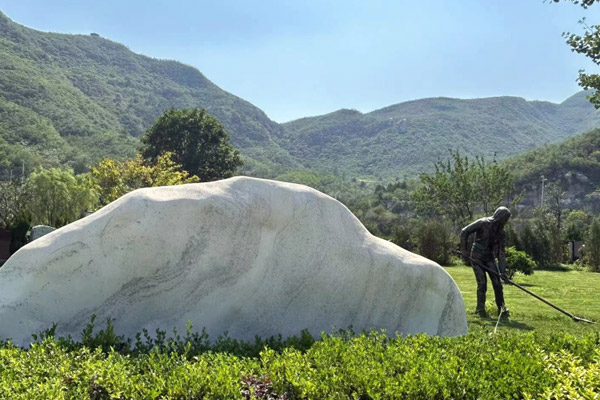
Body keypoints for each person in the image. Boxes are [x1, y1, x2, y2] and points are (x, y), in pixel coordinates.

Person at [460, 206, 511, 318]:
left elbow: (501, 253)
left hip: (490, 258)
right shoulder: (483, 223)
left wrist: (502, 272)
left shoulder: (501, 232)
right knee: (482, 283)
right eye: (505, 219)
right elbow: (465, 231)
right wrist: (464, 250)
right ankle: (480, 310)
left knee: (497, 283)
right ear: (500, 217)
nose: (506, 222)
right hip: (477, 256)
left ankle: (502, 309)